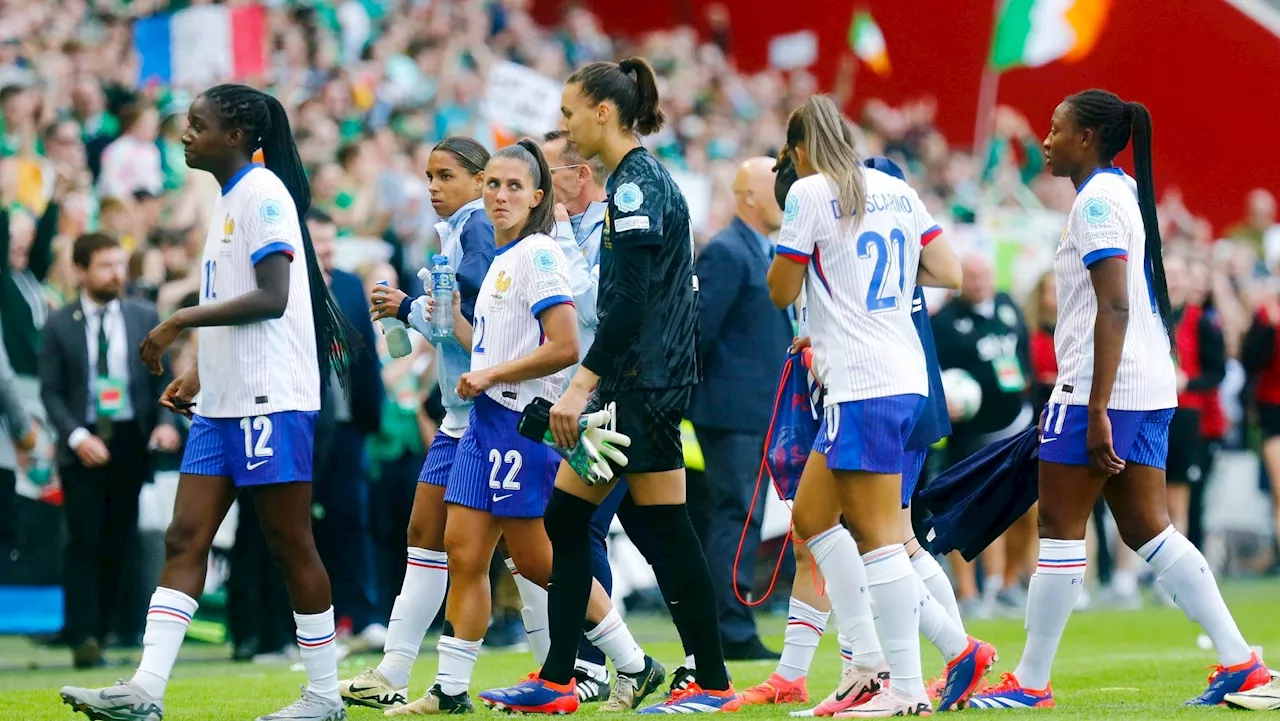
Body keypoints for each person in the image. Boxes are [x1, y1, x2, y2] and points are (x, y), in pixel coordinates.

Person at [60, 83, 358, 721]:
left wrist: (177, 321)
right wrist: (197, 369)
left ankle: (324, 696)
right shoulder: (226, 202)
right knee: (184, 536)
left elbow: (273, 295)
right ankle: (144, 690)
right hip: (222, 402)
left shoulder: (263, 193)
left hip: (270, 399)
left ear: (236, 137)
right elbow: (241, 305)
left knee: (289, 544)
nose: (185, 134)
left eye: (198, 125)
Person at [968, 89, 1268, 711]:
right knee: (1146, 528)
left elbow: (1116, 304)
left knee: (1059, 527)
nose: (1046, 140)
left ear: (1087, 139)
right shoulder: (1119, 191)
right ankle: (1241, 661)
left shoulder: (1099, 201)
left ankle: (1028, 681)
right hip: (1146, 382)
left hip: (1102, 389)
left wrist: (1097, 405)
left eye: (1056, 129)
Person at [480, 57, 733, 714]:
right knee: (631, 523)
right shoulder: (640, 181)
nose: (562, 128)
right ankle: (582, 676)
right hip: (648, 381)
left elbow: (630, 304)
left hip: (640, 384)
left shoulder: (633, 190)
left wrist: (579, 386)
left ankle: (602, 677)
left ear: (602, 111)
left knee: (600, 520)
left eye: (568, 114)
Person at [386, 140, 654, 717]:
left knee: (538, 561)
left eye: (514, 187)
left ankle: (635, 663)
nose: (500, 196)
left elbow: (565, 346)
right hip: (484, 423)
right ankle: (450, 688)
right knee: (463, 550)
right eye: (493, 186)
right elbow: (485, 345)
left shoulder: (537, 256)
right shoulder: (502, 259)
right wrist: (443, 317)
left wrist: (491, 375)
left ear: (538, 197)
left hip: (518, 423)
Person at [767, 95, 963, 717]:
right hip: (904, 371)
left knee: (880, 539)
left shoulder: (808, 193)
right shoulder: (894, 188)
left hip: (862, 381)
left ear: (799, 151)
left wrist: (831, 299)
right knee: (812, 515)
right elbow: (949, 270)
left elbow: (780, 289)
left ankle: (906, 686)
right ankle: (869, 665)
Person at [341, 136, 495, 711]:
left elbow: (477, 326)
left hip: (489, 414)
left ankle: (613, 662)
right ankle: (396, 673)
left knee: (521, 556)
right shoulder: (457, 232)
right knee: (426, 537)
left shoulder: (478, 230)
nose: (433, 187)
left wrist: (408, 307)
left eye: (446, 176)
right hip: (459, 416)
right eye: (428, 176)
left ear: (480, 182)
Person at [39, 232, 182, 668]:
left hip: (129, 440)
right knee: (83, 538)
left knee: (121, 537)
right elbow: (51, 392)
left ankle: (112, 630)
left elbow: (163, 379)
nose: (117, 273)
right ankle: (83, 635)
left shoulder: (143, 316)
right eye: (105, 265)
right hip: (83, 441)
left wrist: (164, 423)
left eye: (120, 264)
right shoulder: (60, 323)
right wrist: (77, 438)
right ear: (80, 270)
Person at [685, 156, 791, 660]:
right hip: (732, 414)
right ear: (748, 195)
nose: (786, 197)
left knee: (740, 517)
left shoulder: (761, 251)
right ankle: (730, 626)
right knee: (736, 516)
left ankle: (731, 620)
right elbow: (698, 334)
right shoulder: (728, 252)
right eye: (776, 188)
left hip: (754, 412)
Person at [930, 253, 1036, 618]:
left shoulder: (1008, 307)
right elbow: (932, 370)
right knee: (970, 510)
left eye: (982, 276)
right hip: (969, 435)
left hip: (1016, 426)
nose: (977, 284)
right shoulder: (943, 322)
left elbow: (1022, 350)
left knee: (1026, 508)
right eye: (970, 277)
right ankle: (970, 592)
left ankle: (1007, 584)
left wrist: (1028, 381)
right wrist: (943, 399)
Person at [307, 208, 386, 647]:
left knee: (353, 519)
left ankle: (361, 614)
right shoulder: (291, 288)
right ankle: (309, 624)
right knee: (304, 527)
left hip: (349, 423)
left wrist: (370, 417)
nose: (328, 251)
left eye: (331, 243)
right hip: (304, 424)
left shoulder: (352, 287)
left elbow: (367, 359)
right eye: (319, 243)